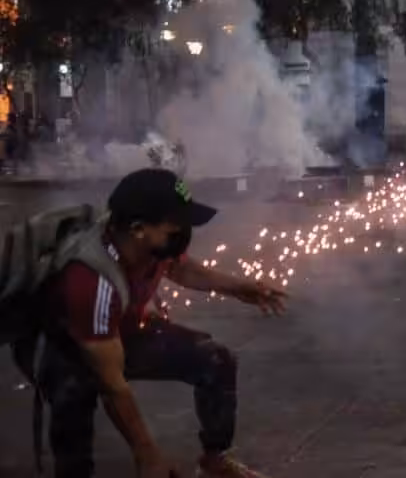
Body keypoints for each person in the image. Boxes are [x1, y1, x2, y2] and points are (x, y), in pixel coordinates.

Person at [38, 168, 288, 477]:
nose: (183, 233)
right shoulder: (91, 280)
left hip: (126, 330)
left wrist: (240, 288)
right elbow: (113, 385)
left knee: (215, 359)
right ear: (139, 228)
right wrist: (147, 453)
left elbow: (183, 270)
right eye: (176, 226)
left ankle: (214, 461)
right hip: (79, 347)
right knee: (74, 404)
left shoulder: (151, 245)